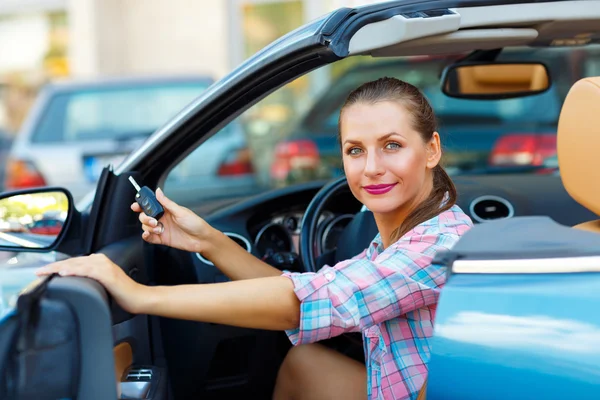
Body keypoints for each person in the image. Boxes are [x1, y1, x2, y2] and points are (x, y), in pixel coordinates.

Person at [36, 77, 473, 399]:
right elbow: (306, 300)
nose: (372, 167)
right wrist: (206, 240)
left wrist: (138, 295)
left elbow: (308, 301)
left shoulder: (439, 246)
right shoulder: (400, 241)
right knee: (307, 362)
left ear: (432, 149)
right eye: (355, 150)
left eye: (392, 145)